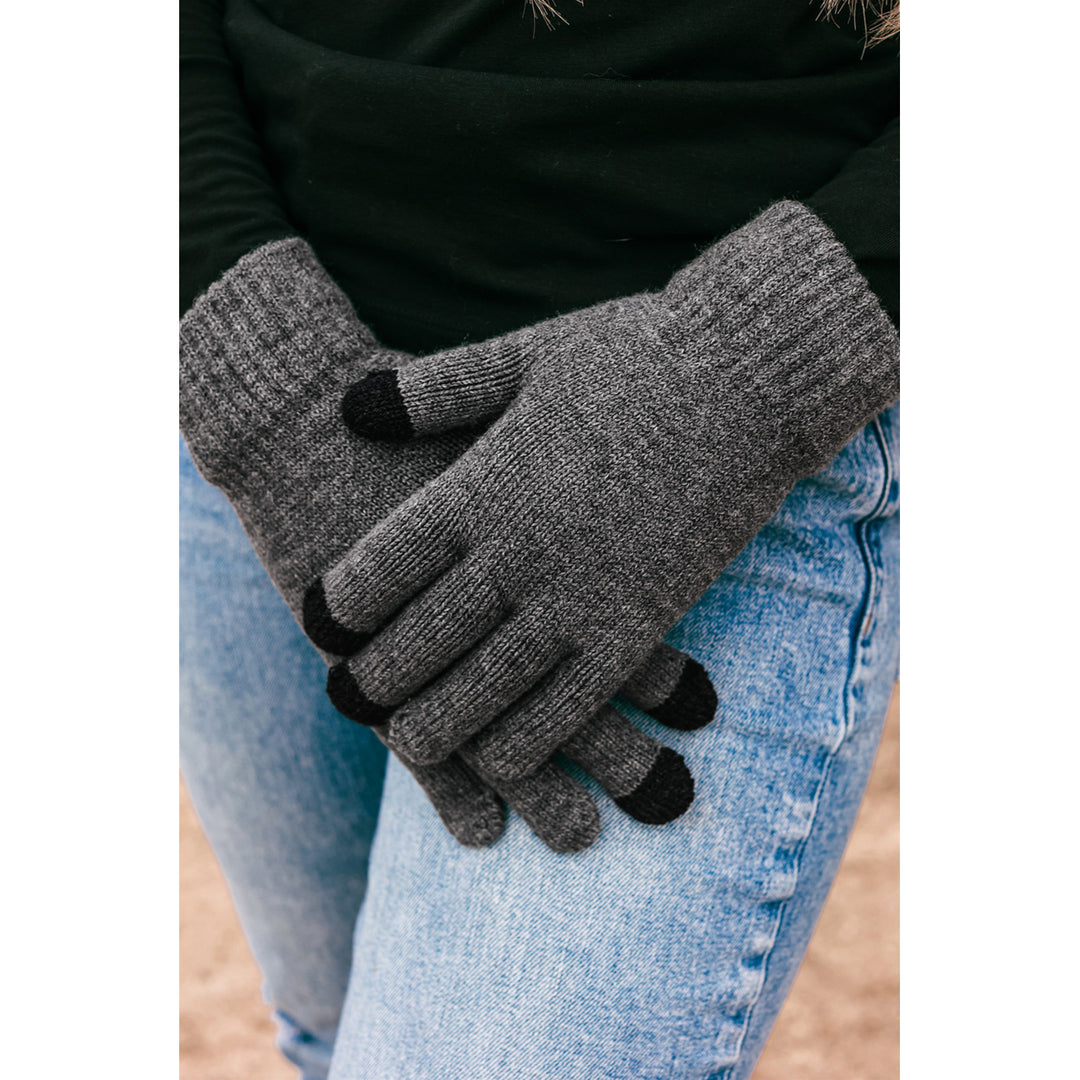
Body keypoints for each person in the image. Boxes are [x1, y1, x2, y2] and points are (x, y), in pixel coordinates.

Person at [180, 0, 899, 1076]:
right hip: (252, 353)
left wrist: (744, 369)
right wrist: (256, 378)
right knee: (332, 1035)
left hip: (705, 469)